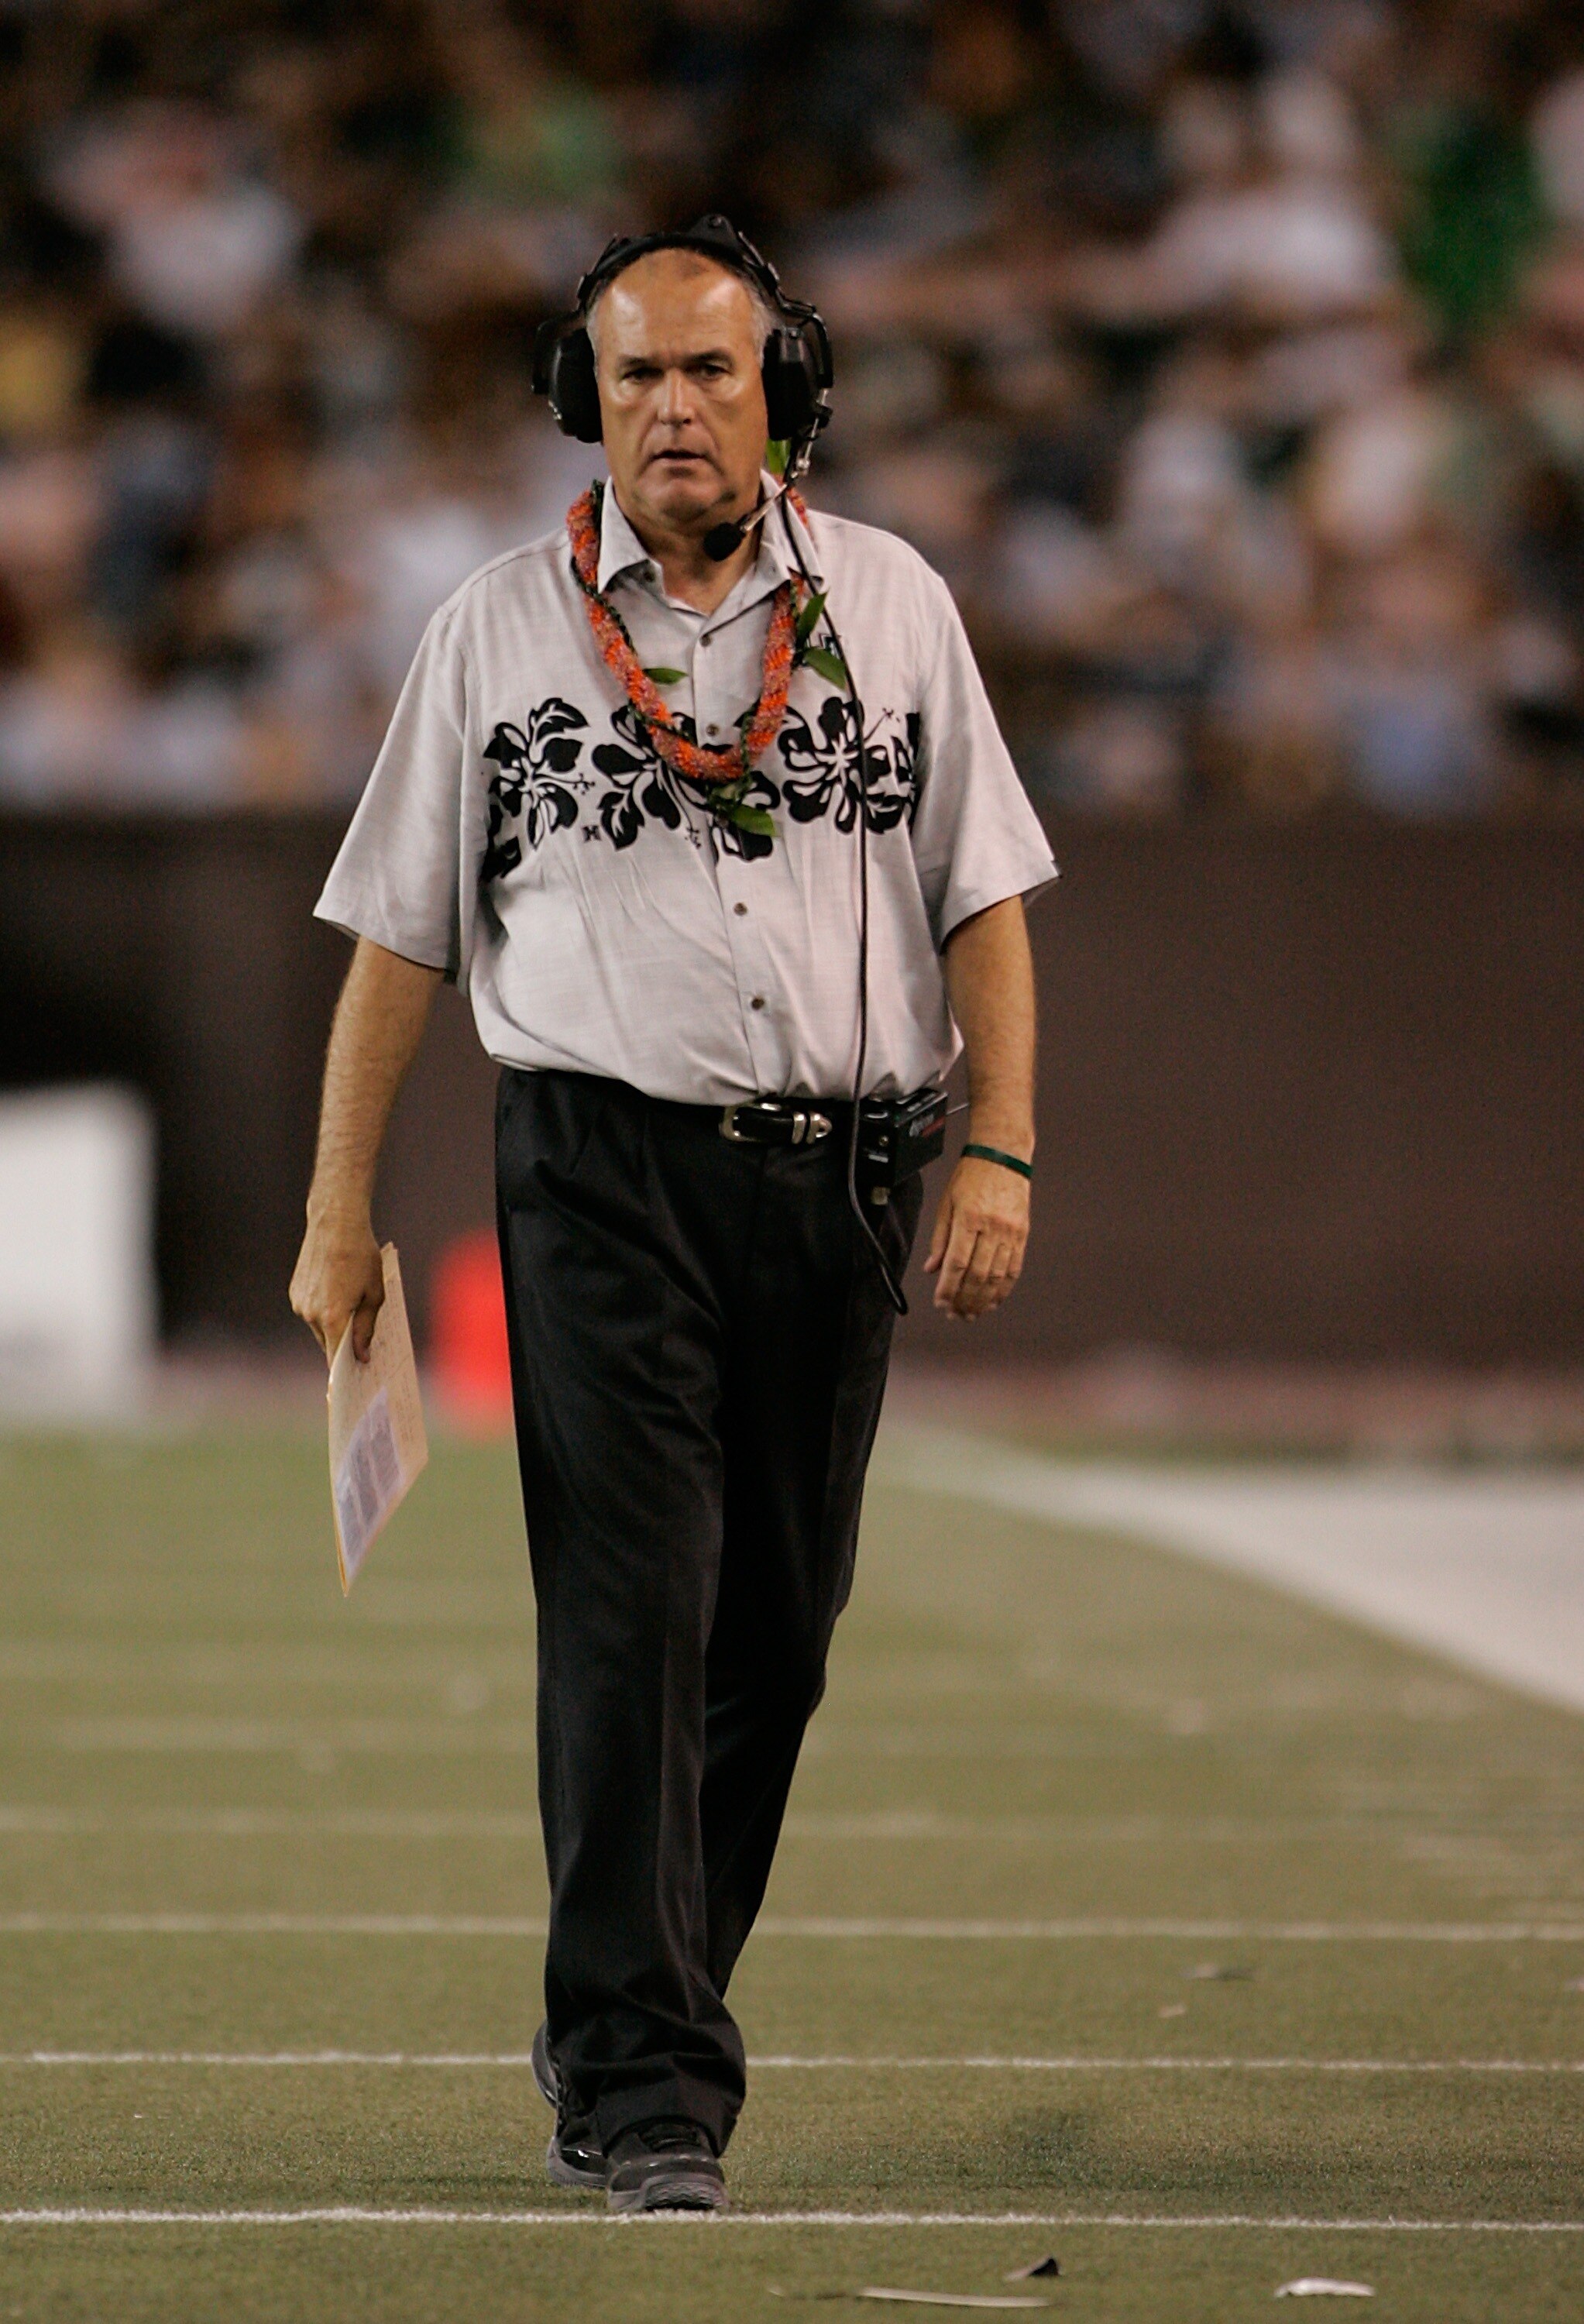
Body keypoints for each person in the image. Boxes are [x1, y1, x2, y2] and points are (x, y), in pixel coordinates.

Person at [290, 218, 1056, 2215]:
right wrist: (336, 1210)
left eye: (713, 371)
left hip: (848, 1176)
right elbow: (396, 942)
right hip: (597, 1176)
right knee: (626, 1623)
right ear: (588, 402)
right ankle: (643, 2087)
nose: (675, 410)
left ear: (783, 389)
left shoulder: (891, 604)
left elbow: (986, 890)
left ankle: (634, 1988)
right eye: (636, 376)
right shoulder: (493, 628)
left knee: (776, 1640)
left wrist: (1005, 1149)